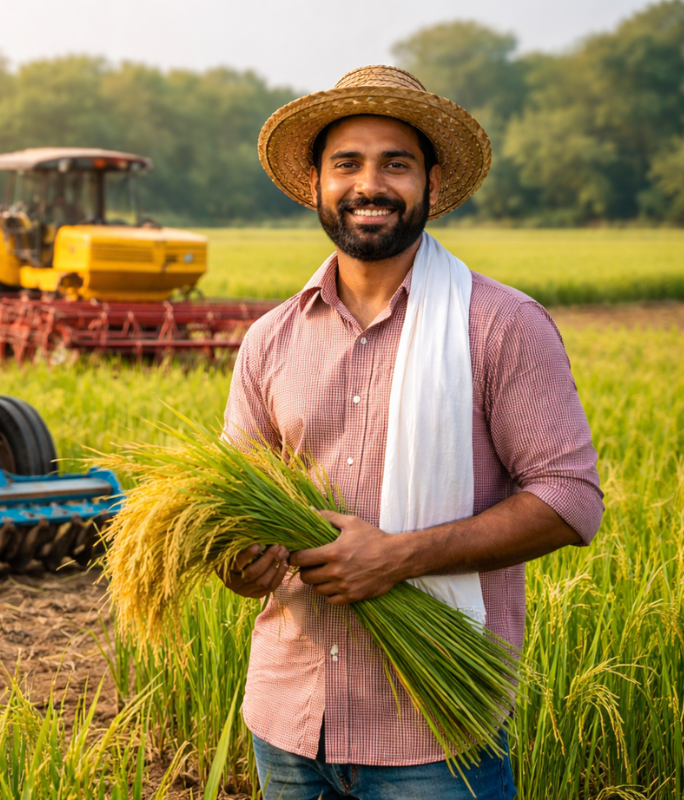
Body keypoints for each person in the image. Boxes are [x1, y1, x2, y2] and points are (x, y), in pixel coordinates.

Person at [220, 65, 603, 800]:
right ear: (316, 186)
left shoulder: (499, 326)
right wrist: (239, 563)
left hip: (433, 733)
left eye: (395, 163)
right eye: (347, 164)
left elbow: (571, 499)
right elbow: (238, 510)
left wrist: (400, 557)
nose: (370, 184)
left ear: (430, 183)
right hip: (288, 724)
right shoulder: (269, 342)